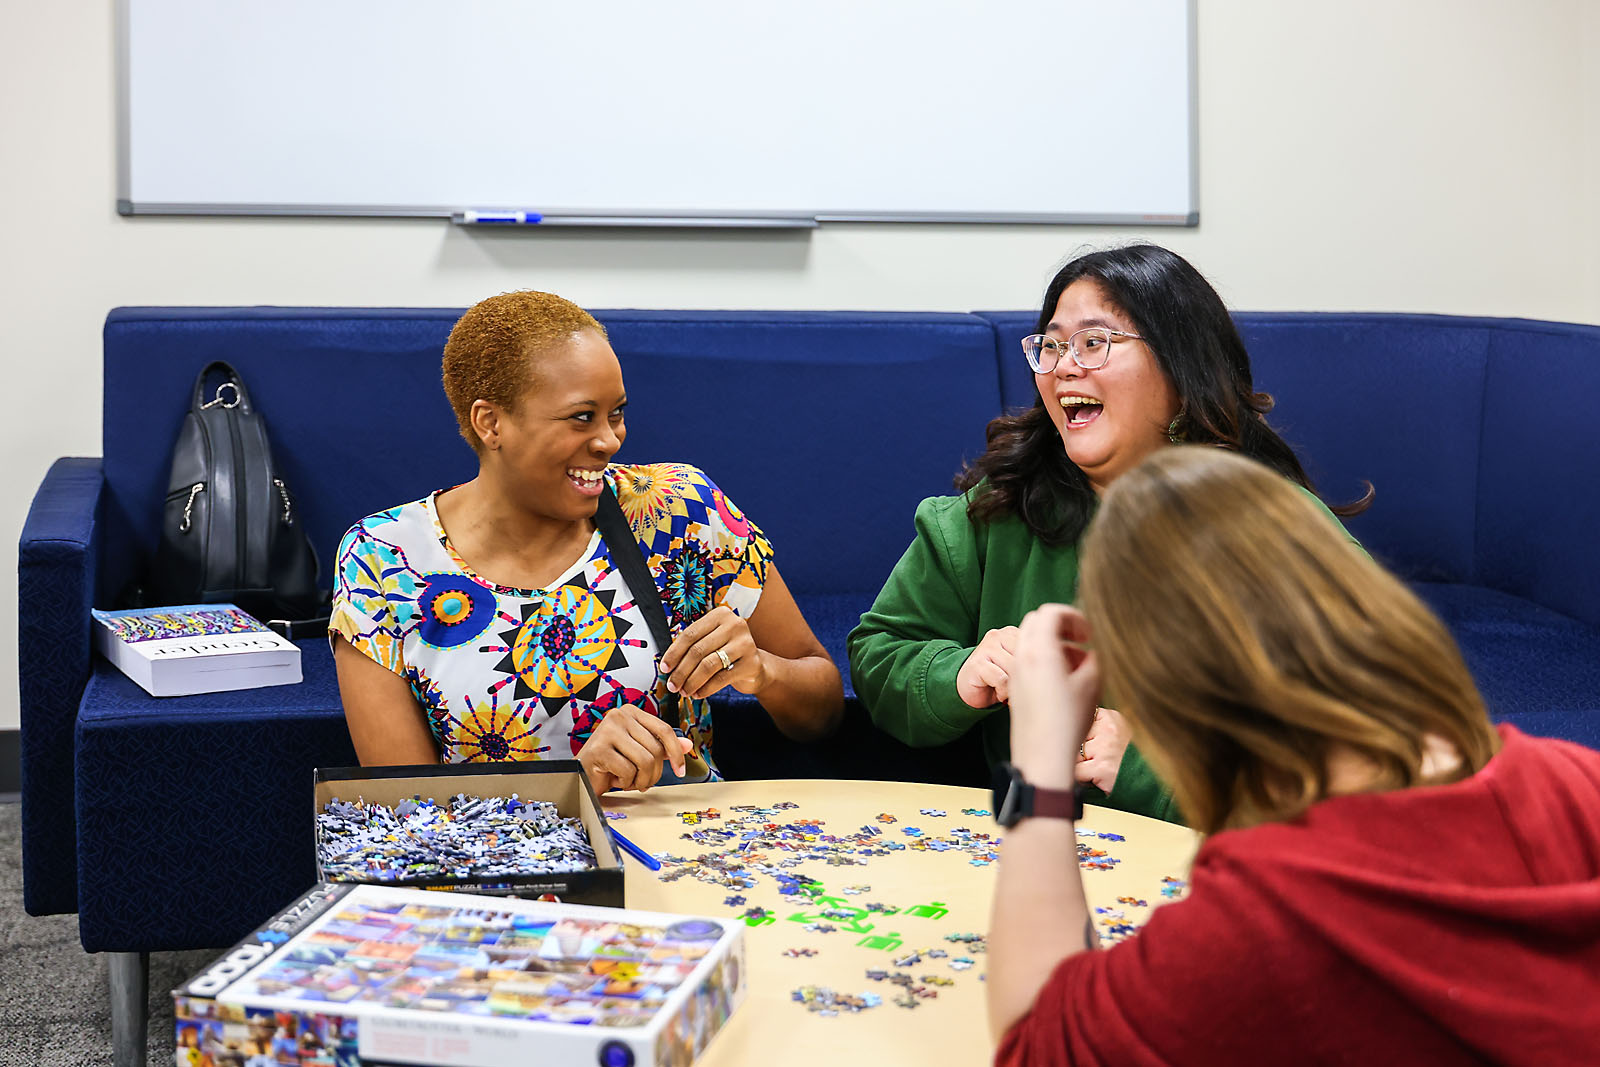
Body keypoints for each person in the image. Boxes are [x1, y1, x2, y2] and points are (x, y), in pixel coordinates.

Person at [989, 447, 1600, 1065]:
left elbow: (1036, 1045)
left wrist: (1040, 763)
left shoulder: (1261, 921)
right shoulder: (1576, 778)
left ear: (1166, 694)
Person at [849, 244, 1359, 820]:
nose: (1066, 365)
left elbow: (1367, 750)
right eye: (1053, 344)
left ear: (1181, 366)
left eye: (1095, 343)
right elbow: (880, 656)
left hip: (1219, 870)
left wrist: (1147, 766)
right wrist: (958, 674)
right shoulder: (993, 512)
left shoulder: (1284, 534)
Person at [331, 291, 843, 792]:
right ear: (491, 422)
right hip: (511, 874)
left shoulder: (676, 510)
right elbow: (404, 815)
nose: (610, 440)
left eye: (615, 413)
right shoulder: (383, 558)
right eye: (582, 417)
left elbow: (821, 714)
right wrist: (575, 784)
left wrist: (762, 672)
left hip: (689, 857)